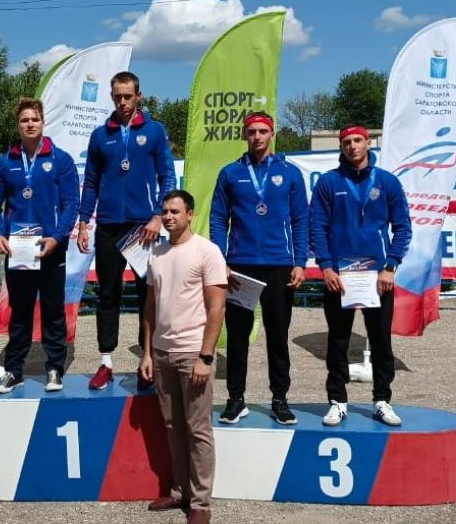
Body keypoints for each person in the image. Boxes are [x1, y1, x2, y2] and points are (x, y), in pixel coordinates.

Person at [209, 111, 309, 425]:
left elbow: (300, 221)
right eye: (251, 132)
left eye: (262, 131)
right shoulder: (230, 173)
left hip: (280, 266)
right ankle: (235, 399)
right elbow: (217, 219)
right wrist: (220, 260)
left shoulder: (290, 173)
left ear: (272, 133)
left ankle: (279, 399)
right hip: (240, 266)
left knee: (278, 336)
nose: (257, 137)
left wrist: (300, 262)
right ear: (245, 135)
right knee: (238, 337)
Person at [78, 71, 176, 390]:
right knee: (108, 294)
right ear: (112, 96)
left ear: (138, 96)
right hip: (108, 226)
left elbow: (167, 176)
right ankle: (106, 362)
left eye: (128, 96)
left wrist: (158, 216)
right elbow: (91, 183)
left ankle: (147, 361)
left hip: (143, 227)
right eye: (117, 96)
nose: (122, 102)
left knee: (148, 294)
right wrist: (83, 223)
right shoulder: (100, 135)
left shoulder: (154, 131)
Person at [310, 124, 411, 427]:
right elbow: (317, 228)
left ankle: (382, 400)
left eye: (357, 140)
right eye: (346, 142)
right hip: (339, 276)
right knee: (338, 341)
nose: (352, 146)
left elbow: (402, 227)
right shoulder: (329, 182)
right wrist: (326, 266)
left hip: (377, 276)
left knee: (380, 340)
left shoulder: (387, 181)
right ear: (341, 147)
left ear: (368, 143)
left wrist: (390, 266)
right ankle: (337, 401)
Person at [139, 190, 227, 524]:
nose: (168, 217)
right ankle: (180, 492)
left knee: (198, 429)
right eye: (164, 211)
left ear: (190, 214)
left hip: (192, 353)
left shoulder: (207, 251)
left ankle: (201, 503)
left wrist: (205, 357)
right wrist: (147, 353)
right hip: (162, 353)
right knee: (173, 426)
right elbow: (149, 308)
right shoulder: (156, 253)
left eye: (175, 211)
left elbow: (216, 308)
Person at [0, 98, 79, 394]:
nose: (30, 124)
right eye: (24, 120)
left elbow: (71, 203)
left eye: (34, 119)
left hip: (50, 248)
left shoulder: (60, 160)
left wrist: (58, 236)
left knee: (53, 311)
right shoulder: (4, 163)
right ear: (18, 125)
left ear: (43, 122)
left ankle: (55, 368)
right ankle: (14, 371)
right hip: (18, 250)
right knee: (20, 313)